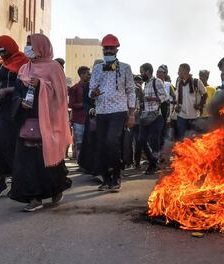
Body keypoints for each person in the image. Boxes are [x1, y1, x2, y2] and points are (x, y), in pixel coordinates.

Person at [9, 34, 72, 212]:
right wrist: (19, 102)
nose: (27, 47)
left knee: (50, 161)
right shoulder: (24, 69)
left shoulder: (54, 68)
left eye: (31, 44)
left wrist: (42, 85)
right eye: (27, 44)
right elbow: (16, 93)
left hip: (50, 124)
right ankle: (34, 198)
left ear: (41, 46)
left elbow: (60, 97)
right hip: (27, 122)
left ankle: (56, 188)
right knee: (27, 162)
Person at [89, 34, 136, 192]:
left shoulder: (125, 68)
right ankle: (106, 179)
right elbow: (91, 90)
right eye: (106, 48)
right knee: (102, 145)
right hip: (101, 111)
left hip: (118, 111)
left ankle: (116, 177)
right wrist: (93, 93)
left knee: (112, 142)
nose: (108, 50)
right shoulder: (97, 68)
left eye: (111, 48)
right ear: (103, 50)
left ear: (117, 49)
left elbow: (131, 91)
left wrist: (131, 114)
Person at [0, 35, 28, 199]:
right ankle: (1, 181)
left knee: (13, 145)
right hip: (2, 109)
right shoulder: (3, 64)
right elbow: (1, 83)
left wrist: (6, 91)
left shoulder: (24, 62)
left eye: (4, 51)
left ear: (11, 47)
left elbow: (25, 86)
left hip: (16, 108)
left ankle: (17, 182)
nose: (2, 54)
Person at [139, 63, 167, 174]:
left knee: (155, 141)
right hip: (146, 116)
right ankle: (153, 162)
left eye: (142, 72)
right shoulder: (145, 84)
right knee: (141, 140)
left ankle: (153, 164)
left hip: (156, 117)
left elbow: (164, 97)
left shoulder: (157, 81)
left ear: (148, 71)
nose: (141, 74)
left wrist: (152, 98)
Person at [175, 63, 207, 140]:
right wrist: (177, 106)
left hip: (194, 116)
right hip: (182, 115)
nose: (178, 72)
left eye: (179, 70)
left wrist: (200, 105)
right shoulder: (179, 83)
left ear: (185, 71)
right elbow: (178, 98)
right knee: (182, 139)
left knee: (194, 139)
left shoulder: (196, 81)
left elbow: (205, 94)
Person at [69, 66, 90, 160]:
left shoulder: (92, 87)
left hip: (89, 118)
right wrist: (83, 104)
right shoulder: (75, 88)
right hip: (78, 119)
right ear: (81, 75)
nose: (89, 76)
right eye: (87, 74)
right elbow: (71, 104)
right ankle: (80, 161)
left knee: (89, 142)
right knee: (79, 142)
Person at [156, 65, 176, 149]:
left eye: (160, 71)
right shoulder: (154, 82)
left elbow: (174, 97)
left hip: (165, 110)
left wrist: (171, 104)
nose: (158, 73)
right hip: (155, 110)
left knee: (164, 131)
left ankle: (164, 152)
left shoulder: (168, 85)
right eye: (157, 71)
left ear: (165, 73)